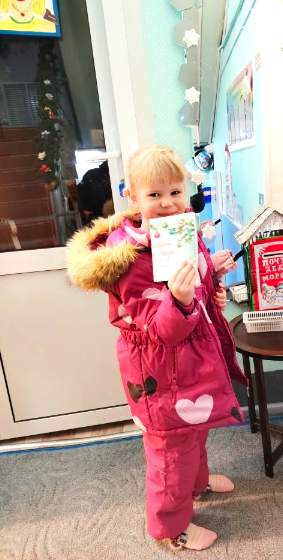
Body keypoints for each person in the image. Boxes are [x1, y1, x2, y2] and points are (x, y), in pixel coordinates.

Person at [66, 146, 247, 551]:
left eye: (175, 192)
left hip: (194, 360)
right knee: (170, 453)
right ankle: (169, 528)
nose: (167, 203)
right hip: (159, 371)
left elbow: (194, 284)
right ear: (132, 196)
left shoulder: (181, 231)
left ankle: (197, 485)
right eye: (154, 194)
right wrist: (181, 302)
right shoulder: (129, 259)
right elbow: (158, 327)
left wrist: (212, 286)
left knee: (195, 431)